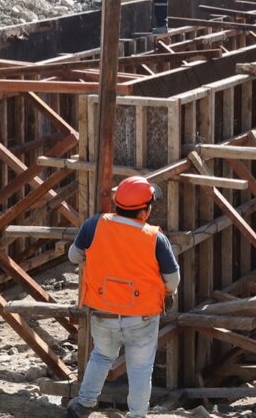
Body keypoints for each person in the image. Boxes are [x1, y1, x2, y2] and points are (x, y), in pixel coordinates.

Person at [66, 176, 180, 418]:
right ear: (144, 211)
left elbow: (74, 257)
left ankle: (84, 404)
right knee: (140, 369)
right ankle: (137, 416)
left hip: (102, 312)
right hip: (141, 317)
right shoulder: (155, 238)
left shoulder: (94, 225)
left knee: (101, 355)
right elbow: (173, 281)